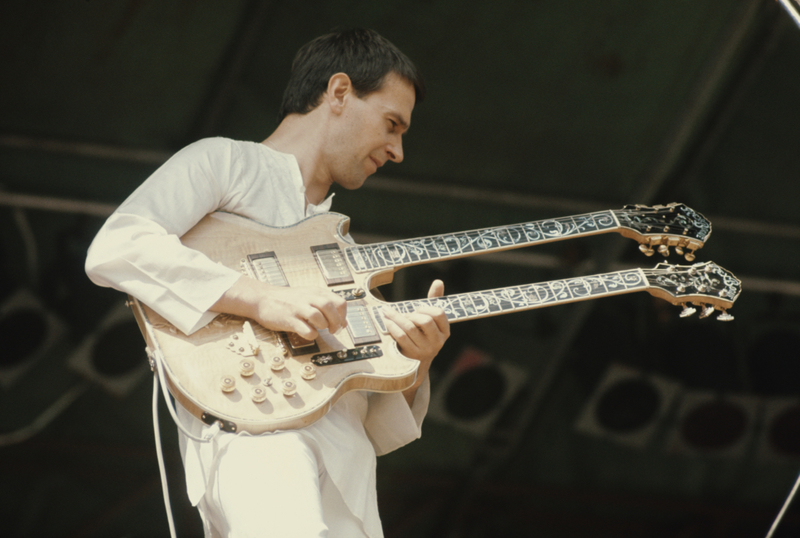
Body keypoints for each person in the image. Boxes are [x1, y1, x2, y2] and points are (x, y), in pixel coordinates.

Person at [85, 28, 450, 537]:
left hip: (350, 483)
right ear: (339, 92)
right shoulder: (225, 162)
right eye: (392, 125)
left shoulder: (342, 251)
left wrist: (416, 359)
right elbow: (119, 245)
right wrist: (261, 299)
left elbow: (371, 424)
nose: (397, 151)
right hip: (256, 438)